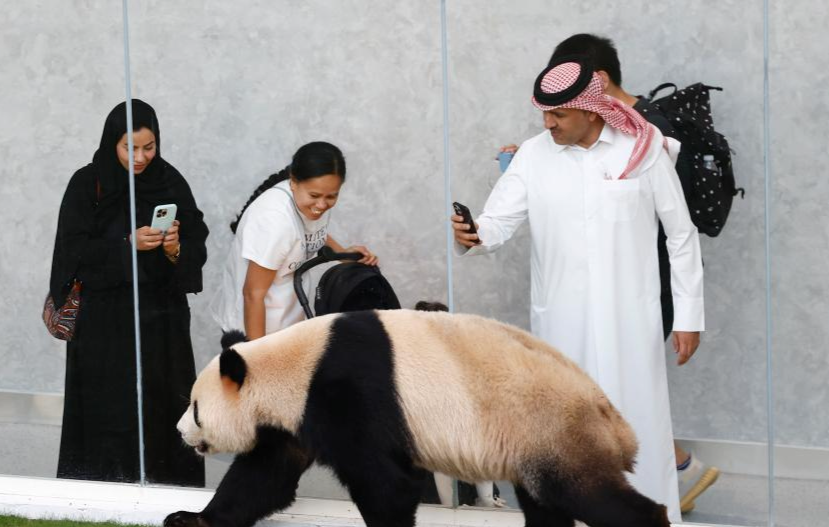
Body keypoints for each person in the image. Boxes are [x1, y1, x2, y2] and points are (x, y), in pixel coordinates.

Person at [453, 56, 704, 523]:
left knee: (638, 422)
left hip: (630, 320)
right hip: (562, 321)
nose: (547, 124)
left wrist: (689, 316)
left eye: (558, 115)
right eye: (544, 114)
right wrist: (473, 234)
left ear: (591, 110)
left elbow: (681, 235)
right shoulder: (534, 155)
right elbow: (497, 223)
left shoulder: (643, 148)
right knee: (566, 430)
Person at [49, 99, 208, 485]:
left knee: (163, 407)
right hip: (104, 328)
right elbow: (72, 253)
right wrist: (127, 244)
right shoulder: (87, 183)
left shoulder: (169, 180)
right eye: (129, 148)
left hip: (162, 325)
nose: (140, 158)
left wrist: (175, 250)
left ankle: (169, 493)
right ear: (112, 143)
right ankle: (101, 496)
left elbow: (196, 241)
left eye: (148, 147)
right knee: (107, 410)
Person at [212, 141, 377, 339]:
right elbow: (253, 294)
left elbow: (305, 231)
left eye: (331, 196)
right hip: (256, 331)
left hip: (288, 325)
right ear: (293, 182)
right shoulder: (274, 220)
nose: (322, 205)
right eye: (315, 195)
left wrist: (342, 253)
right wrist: (257, 352)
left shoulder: (309, 201)